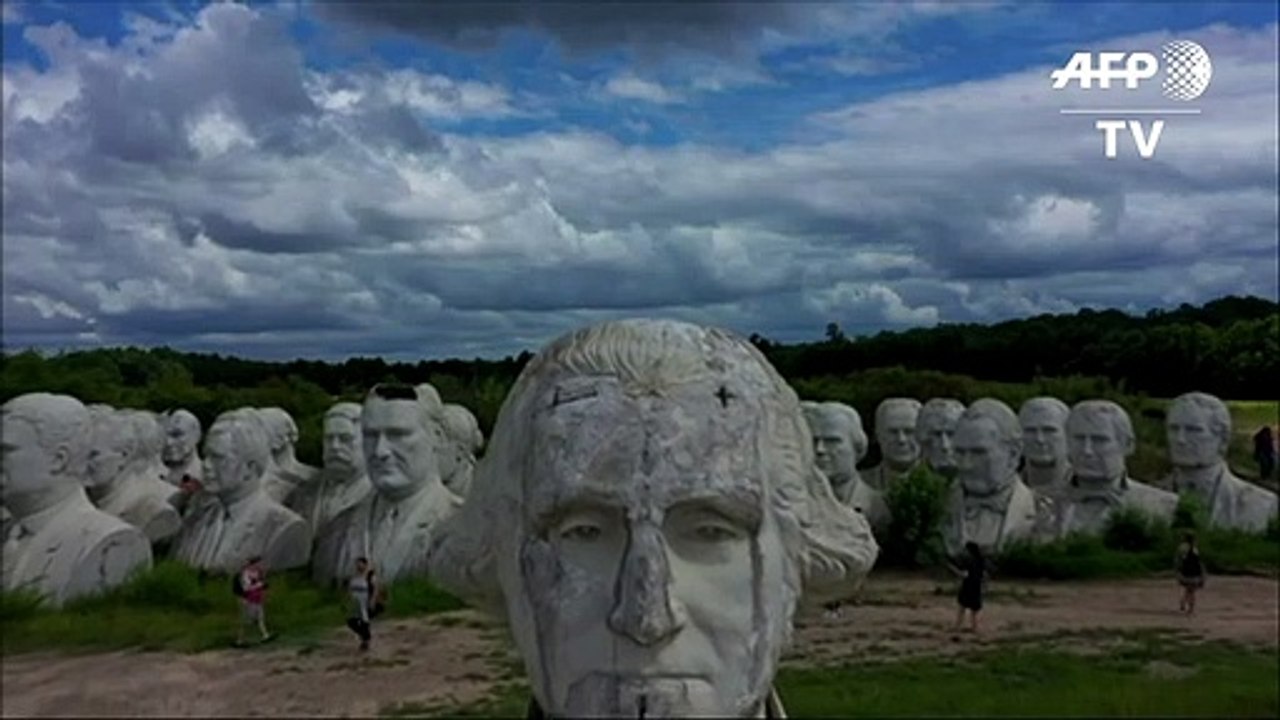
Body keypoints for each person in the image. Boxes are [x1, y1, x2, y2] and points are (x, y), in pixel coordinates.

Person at [346, 556, 384, 651]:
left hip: (365, 602)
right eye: (357, 564)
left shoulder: (370, 575)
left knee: (364, 621)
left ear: (365, 564)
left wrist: (372, 601)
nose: (358, 566)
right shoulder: (354, 576)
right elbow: (350, 589)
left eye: (360, 563)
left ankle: (366, 641)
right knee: (351, 621)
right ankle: (365, 637)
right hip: (355, 603)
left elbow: (375, 588)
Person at [234, 556, 272, 647]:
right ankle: (240, 640)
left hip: (258, 598)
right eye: (258, 563)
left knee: (260, 618)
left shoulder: (258, 573)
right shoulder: (245, 574)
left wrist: (263, 588)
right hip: (250, 599)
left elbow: (262, 584)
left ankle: (265, 635)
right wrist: (259, 585)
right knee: (248, 621)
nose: (260, 565)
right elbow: (246, 588)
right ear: (253, 564)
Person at [954, 541, 987, 633]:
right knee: (974, 609)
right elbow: (983, 575)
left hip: (967, 586)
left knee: (962, 607)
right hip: (977, 587)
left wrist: (957, 573)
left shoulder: (968, 561)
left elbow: (965, 574)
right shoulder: (981, 560)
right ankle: (975, 627)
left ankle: (958, 626)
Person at [1176, 533, 1205, 615]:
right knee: (1191, 592)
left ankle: (1183, 603)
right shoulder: (1195, 549)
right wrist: (1202, 575)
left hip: (1184, 573)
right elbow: (1199, 562)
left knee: (1185, 589)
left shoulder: (1181, 548)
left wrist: (1177, 571)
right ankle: (1190, 609)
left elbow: (1178, 561)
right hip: (1194, 574)